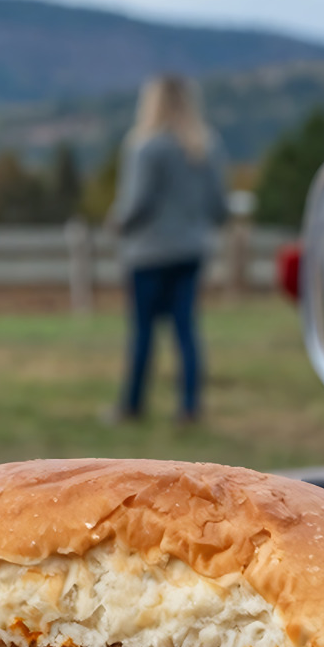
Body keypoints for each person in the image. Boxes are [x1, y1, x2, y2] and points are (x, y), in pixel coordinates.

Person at [108, 74, 228, 423]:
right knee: (186, 328)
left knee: (144, 331)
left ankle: (133, 404)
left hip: (148, 252)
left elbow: (137, 202)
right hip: (191, 250)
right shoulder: (206, 146)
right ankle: (190, 405)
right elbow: (218, 206)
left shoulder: (146, 146)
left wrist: (117, 223)